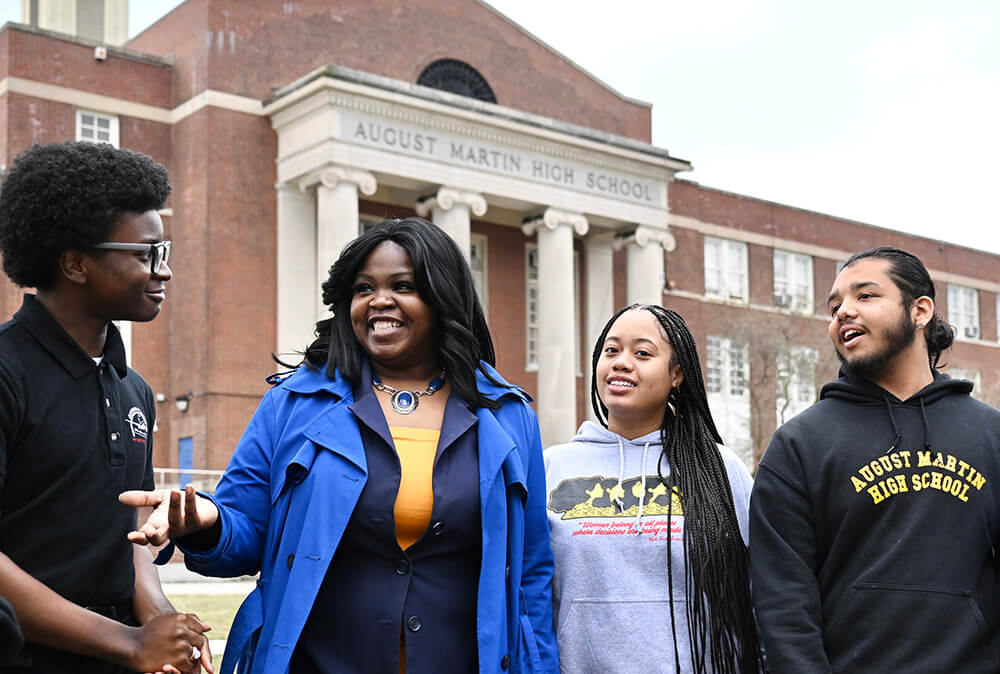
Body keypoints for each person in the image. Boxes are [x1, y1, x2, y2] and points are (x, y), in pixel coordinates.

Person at [122, 217, 558, 673]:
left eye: (403, 286)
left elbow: (531, 573)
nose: (379, 301)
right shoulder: (292, 405)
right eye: (363, 287)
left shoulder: (507, 416)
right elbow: (245, 532)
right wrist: (209, 523)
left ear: (442, 296)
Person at [0, 141, 212, 673]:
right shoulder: (6, 371)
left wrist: (163, 623)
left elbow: (131, 534)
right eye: (146, 254)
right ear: (75, 263)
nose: (163, 272)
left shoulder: (134, 390)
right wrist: (129, 642)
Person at [750, 247, 1000, 672]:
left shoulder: (991, 436)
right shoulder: (798, 445)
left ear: (920, 311)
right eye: (834, 306)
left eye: (865, 296)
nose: (843, 312)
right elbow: (783, 608)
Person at [544, 304, 761, 673]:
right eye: (611, 350)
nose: (622, 362)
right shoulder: (552, 466)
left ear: (677, 374)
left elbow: (763, 587)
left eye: (642, 353)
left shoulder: (719, 469)